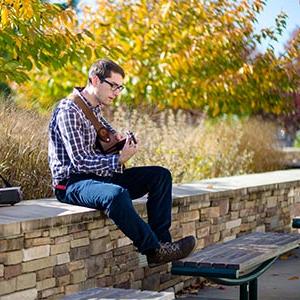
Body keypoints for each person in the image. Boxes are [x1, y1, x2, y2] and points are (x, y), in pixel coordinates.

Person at [48, 58, 196, 267]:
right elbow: (79, 161)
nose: (117, 92)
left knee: (160, 176)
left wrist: (122, 141)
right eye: (113, 86)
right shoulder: (69, 110)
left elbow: (107, 141)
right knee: (116, 195)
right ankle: (154, 250)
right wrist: (119, 158)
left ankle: (164, 243)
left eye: (120, 87)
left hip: (99, 177)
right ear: (95, 80)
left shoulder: (95, 108)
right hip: (72, 183)